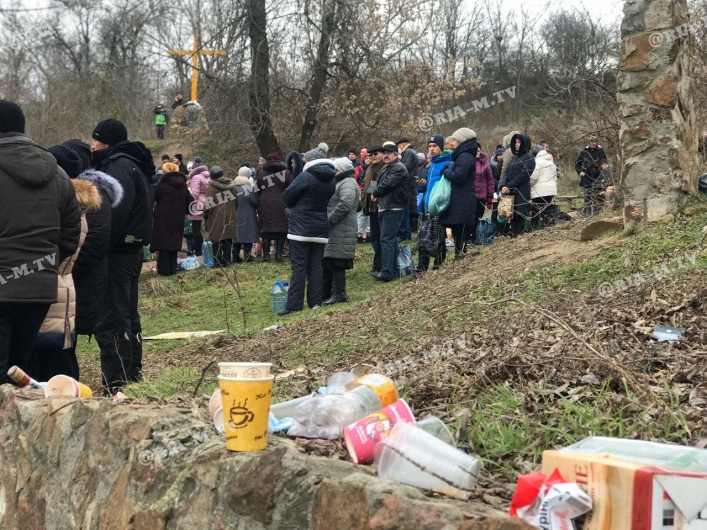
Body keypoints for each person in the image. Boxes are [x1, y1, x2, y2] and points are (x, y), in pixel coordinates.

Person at [0, 101, 81, 385]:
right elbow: (71, 236)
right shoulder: (58, 173)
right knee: (18, 371)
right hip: (40, 287)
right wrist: (44, 265)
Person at [90, 118, 155, 393]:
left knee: (113, 317)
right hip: (132, 250)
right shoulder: (136, 164)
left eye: (95, 140)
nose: (92, 145)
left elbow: (113, 214)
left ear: (106, 142)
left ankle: (115, 380)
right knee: (128, 313)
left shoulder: (117, 167)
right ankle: (132, 371)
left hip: (116, 253)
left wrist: (98, 248)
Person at [29, 146, 103, 381]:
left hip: (50, 290)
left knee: (43, 367)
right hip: (65, 289)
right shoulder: (79, 207)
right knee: (61, 359)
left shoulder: (60, 207)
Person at [60, 140, 123, 377]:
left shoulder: (91, 195)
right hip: (75, 279)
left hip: (83, 279)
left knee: (70, 340)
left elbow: (96, 242)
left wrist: (66, 266)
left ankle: (114, 382)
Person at [279, 146, 336, 315]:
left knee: (298, 266)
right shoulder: (331, 179)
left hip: (301, 228)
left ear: (310, 161)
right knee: (316, 266)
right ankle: (315, 302)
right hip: (320, 228)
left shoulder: (306, 176)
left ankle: (294, 304)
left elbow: (287, 196)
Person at [323, 158, 360, 305]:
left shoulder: (348, 183)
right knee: (334, 259)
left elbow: (345, 203)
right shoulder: (342, 182)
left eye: (335, 169)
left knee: (338, 261)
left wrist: (330, 220)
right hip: (338, 228)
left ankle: (340, 293)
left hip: (342, 228)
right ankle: (336, 292)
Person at [371, 144, 409, 282]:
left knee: (386, 240)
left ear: (396, 155)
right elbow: (375, 183)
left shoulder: (398, 167)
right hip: (382, 206)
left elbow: (388, 184)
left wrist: (374, 193)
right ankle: (391, 270)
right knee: (387, 239)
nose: (385, 155)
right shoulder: (384, 167)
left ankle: (387, 272)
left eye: (389, 153)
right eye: (384, 152)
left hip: (392, 207)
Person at [440, 128, 478, 259]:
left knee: (460, 230)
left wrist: (445, 171)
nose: (452, 142)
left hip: (462, 199)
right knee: (458, 230)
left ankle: (460, 257)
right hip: (461, 197)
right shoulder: (464, 155)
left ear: (462, 141)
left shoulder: (464, 156)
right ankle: (459, 256)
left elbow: (459, 177)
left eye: (455, 140)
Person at [151, 163, 193, 275]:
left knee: (163, 245)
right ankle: (172, 269)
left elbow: (152, 196)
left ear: (164, 172)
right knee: (173, 245)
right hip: (178, 219)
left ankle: (164, 271)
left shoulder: (162, 185)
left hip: (162, 219)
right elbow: (191, 202)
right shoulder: (183, 185)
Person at [416, 134, 451, 271]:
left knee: (438, 237)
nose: (431, 149)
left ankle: (438, 266)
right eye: (429, 146)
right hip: (426, 204)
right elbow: (427, 187)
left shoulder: (447, 163)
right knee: (423, 237)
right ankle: (421, 268)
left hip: (438, 206)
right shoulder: (430, 165)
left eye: (434, 146)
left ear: (441, 147)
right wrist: (421, 185)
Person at [257, 153, 293, 262]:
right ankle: (279, 255)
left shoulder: (261, 173)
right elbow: (291, 187)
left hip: (265, 202)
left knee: (266, 229)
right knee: (281, 228)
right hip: (281, 202)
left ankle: (266, 256)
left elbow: (257, 188)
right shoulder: (286, 173)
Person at [500, 133, 535, 237]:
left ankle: (519, 236)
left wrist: (509, 186)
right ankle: (514, 236)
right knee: (512, 216)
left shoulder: (529, 157)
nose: (516, 144)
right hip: (511, 192)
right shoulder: (515, 158)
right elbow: (507, 172)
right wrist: (502, 185)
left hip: (521, 192)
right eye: (515, 142)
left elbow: (523, 175)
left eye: (519, 142)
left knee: (520, 215)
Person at [204, 166, 237, 267]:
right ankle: (227, 261)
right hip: (230, 215)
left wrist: (205, 215)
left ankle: (217, 262)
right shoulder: (232, 186)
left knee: (216, 241)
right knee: (227, 240)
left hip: (215, 217)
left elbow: (208, 204)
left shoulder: (212, 187)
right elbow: (236, 201)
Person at [360, 147, 386, 276]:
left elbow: (381, 185)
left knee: (383, 238)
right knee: (375, 238)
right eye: (371, 154)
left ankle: (382, 266)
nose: (373, 156)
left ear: (382, 154)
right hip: (371, 207)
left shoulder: (385, 167)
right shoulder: (370, 168)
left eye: (375, 154)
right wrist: (363, 195)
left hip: (381, 208)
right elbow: (366, 183)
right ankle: (377, 266)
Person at [575, 135, 607, 216]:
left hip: (598, 177)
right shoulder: (584, 151)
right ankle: (587, 215)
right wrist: (580, 172)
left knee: (599, 197)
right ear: (589, 143)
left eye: (595, 142)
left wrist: (604, 167)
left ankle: (598, 214)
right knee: (587, 198)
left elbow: (604, 162)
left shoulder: (600, 150)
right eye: (592, 142)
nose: (594, 143)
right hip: (587, 177)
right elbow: (577, 164)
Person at [233, 167, 260, 263]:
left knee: (236, 236)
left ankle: (236, 257)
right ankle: (248, 257)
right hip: (248, 214)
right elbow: (256, 202)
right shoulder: (250, 187)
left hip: (235, 214)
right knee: (248, 235)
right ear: (248, 175)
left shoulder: (233, 187)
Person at [471, 144, 495, 244]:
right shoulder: (468, 163)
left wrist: (490, 198)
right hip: (471, 195)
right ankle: (470, 237)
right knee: (470, 217)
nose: (478, 153)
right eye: (476, 151)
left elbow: (490, 181)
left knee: (479, 217)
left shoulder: (485, 164)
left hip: (481, 196)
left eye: (479, 150)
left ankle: (478, 237)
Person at [396, 137, 419, 241]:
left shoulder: (408, 152)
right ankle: (405, 233)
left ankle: (404, 234)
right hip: (410, 184)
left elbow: (404, 168)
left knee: (404, 209)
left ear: (402, 144)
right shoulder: (413, 151)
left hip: (407, 185)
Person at [529, 149, 558, 228]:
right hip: (550, 191)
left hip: (539, 191)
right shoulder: (551, 164)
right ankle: (548, 226)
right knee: (546, 210)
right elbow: (555, 179)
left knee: (536, 211)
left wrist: (529, 185)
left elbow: (534, 177)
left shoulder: (537, 162)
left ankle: (534, 227)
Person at [188, 157, 210, 257]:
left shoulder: (196, 177)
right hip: (208, 202)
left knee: (196, 228)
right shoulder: (208, 176)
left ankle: (199, 251)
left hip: (197, 205)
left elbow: (194, 194)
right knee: (208, 226)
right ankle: (210, 247)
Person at [356, 151, 371, 243]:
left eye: (370, 158)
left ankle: (367, 233)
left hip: (370, 193)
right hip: (362, 192)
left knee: (368, 215)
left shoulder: (373, 169)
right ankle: (359, 233)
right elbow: (361, 182)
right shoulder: (361, 169)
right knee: (361, 214)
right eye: (366, 158)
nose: (368, 160)